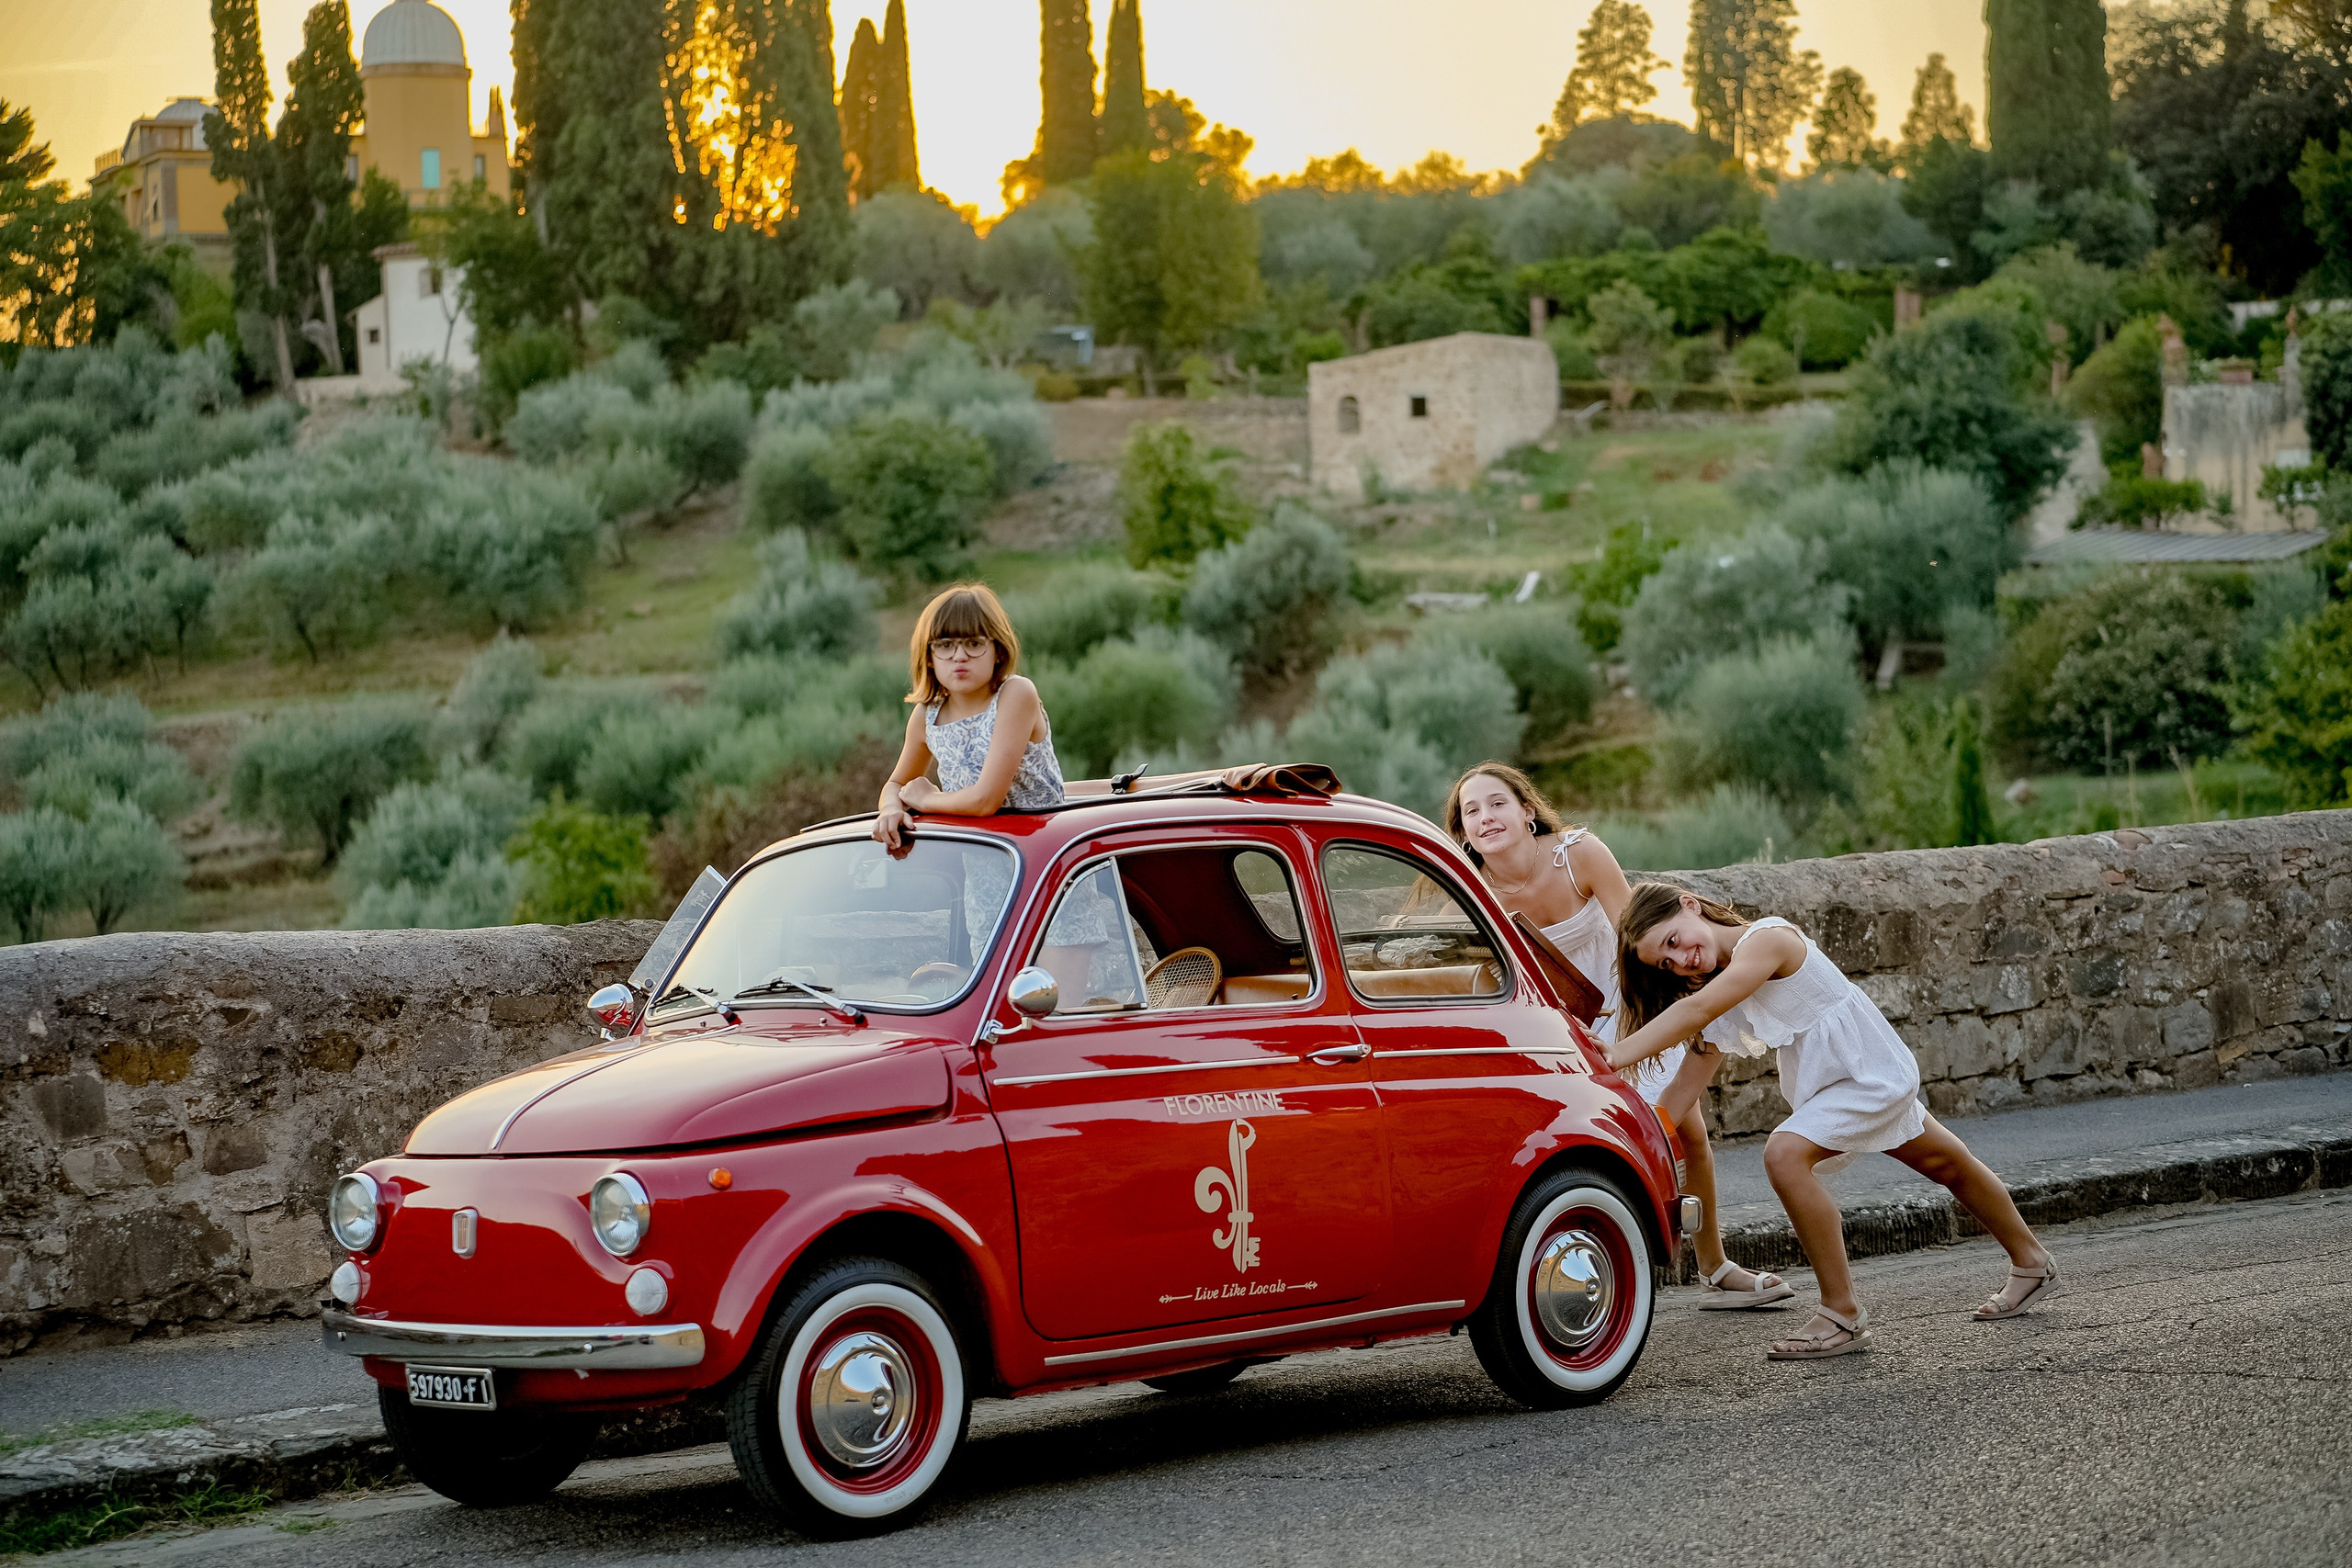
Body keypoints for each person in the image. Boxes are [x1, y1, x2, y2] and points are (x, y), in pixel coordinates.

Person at [1609, 882, 2059, 1359]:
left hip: (1868, 1075)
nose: (1680, 961)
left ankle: (1840, 1313)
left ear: (1690, 905)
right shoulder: (1720, 987)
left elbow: (1695, 1009)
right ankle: (2032, 1262)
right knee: (1949, 1165)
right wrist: (1630, 1142)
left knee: (1784, 1155)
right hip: (1842, 1083)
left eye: (1673, 942)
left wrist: (1613, 1056)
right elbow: (1682, 1090)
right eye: (1665, 963)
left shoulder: (1767, 940)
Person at [1443, 764, 1791, 1311]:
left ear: (1527, 811)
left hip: (1629, 1006)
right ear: (1462, 832)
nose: (1486, 817)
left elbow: (1636, 944)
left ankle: (1713, 1266)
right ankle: (1575, 1274)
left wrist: (1644, 1030)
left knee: (1684, 1131)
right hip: (1552, 1030)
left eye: (1497, 803)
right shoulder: (1469, 888)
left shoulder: (1578, 854)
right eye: (1472, 811)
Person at [874, 583, 1105, 998]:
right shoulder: (926, 718)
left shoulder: (1016, 695)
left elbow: (985, 800)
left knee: (1057, 1019)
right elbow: (895, 783)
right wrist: (890, 809)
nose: (958, 656)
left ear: (998, 650)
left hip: (1051, 877)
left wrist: (925, 799)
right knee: (1001, 1030)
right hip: (988, 891)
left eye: (973, 643)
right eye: (944, 645)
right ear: (928, 656)